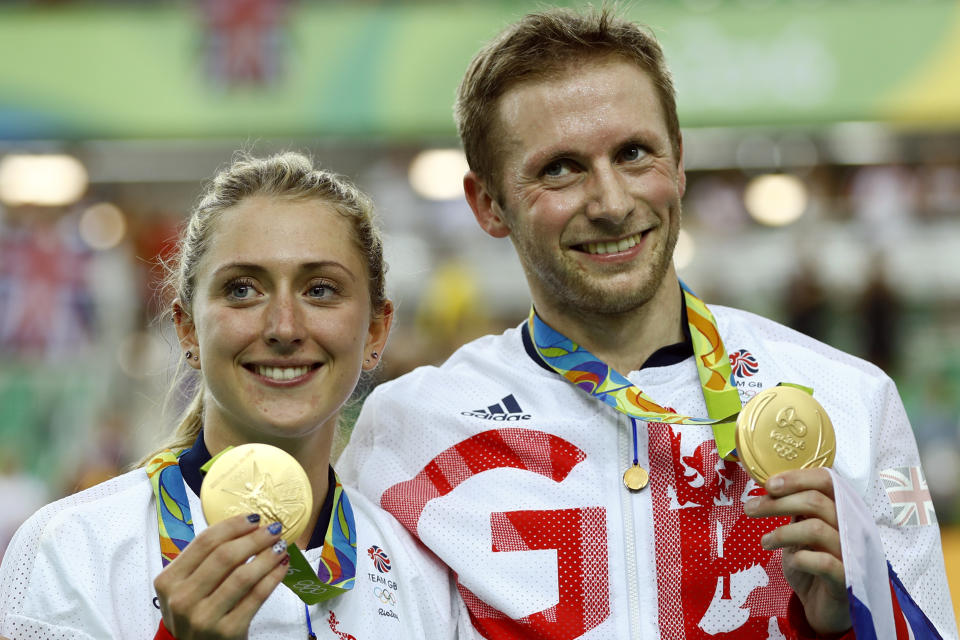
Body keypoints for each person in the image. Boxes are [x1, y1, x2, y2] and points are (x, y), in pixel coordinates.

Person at [337, 8, 958, 640]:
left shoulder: (849, 403)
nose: (611, 203)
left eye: (634, 154)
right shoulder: (407, 434)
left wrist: (848, 624)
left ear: (679, 163)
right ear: (487, 204)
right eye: (560, 168)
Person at [0, 152, 458, 639]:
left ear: (374, 332)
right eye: (242, 290)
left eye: (321, 290)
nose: (284, 326)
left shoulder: (416, 570)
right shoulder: (75, 550)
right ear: (188, 330)